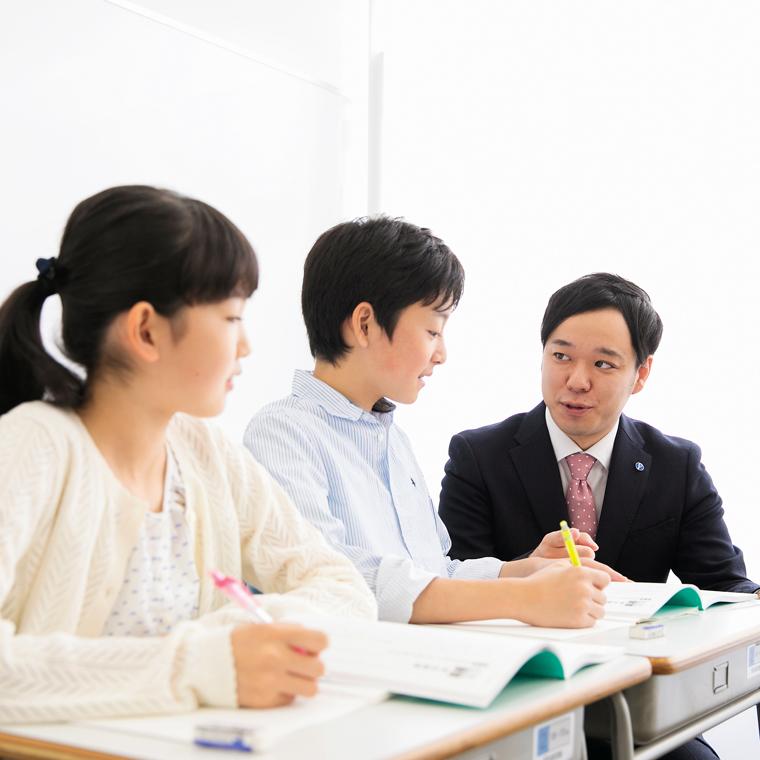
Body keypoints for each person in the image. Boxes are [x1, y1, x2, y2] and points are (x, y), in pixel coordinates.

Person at [0, 186, 376, 724]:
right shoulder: (34, 446)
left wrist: (248, 633)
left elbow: (344, 589)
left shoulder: (203, 452)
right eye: (230, 318)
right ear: (147, 330)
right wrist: (197, 665)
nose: (245, 345)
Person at [438, 272, 758, 760]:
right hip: (514, 704)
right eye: (560, 356)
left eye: (603, 363)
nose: (576, 380)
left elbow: (727, 590)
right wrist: (527, 570)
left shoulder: (676, 465)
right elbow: (446, 584)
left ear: (641, 373)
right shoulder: (478, 455)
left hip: (635, 705)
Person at [245, 216, 617, 627]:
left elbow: (434, 571)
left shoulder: (392, 439)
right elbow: (329, 579)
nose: (441, 354)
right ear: (365, 323)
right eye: (432, 331)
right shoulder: (282, 433)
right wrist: (519, 598)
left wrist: (522, 570)